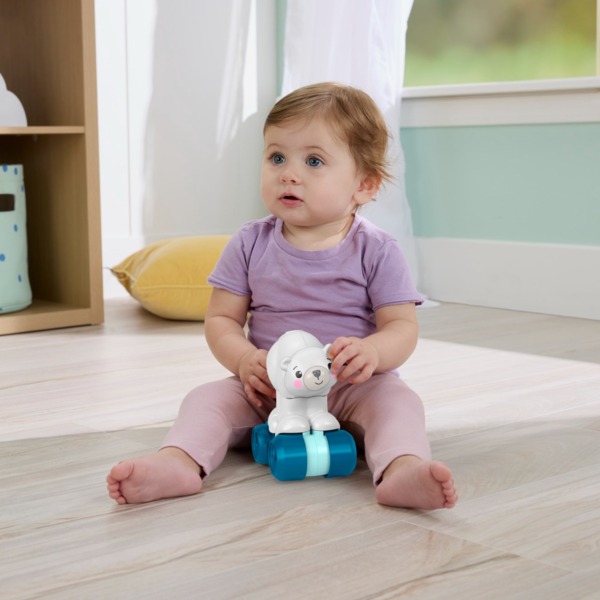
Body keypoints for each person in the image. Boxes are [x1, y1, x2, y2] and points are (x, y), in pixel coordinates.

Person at [106, 82, 457, 510]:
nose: (288, 174)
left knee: (399, 403)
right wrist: (243, 361)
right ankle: (177, 462)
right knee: (205, 400)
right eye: (276, 157)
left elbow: (401, 327)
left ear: (364, 185)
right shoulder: (249, 242)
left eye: (314, 161)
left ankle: (402, 469)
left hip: (353, 387)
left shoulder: (377, 250)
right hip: (269, 389)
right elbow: (222, 319)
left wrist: (372, 352)